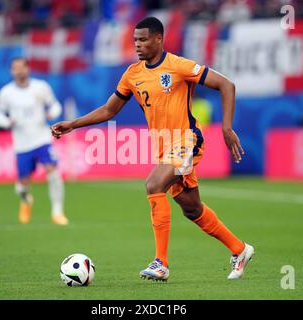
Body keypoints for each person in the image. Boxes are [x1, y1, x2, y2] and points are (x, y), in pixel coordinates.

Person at [51, 17, 254, 281]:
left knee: (153, 184)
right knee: (191, 208)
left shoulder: (179, 66)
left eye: (143, 39)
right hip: (164, 147)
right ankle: (240, 250)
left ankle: (161, 263)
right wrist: (74, 124)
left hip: (187, 141)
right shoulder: (133, 74)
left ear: (158, 39)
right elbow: (109, 109)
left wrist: (226, 128)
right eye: (135, 40)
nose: (137, 45)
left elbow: (227, 85)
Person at [0, 57, 68, 226]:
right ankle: (26, 200)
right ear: (11, 71)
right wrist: (6, 122)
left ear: (28, 69)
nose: (19, 71)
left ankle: (57, 212)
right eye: (15, 68)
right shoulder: (6, 93)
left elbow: (55, 105)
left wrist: (53, 114)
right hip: (22, 143)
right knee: (22, 184)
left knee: (53, 172)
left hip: (42, 138)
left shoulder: (40, 87)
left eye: (22, 67)